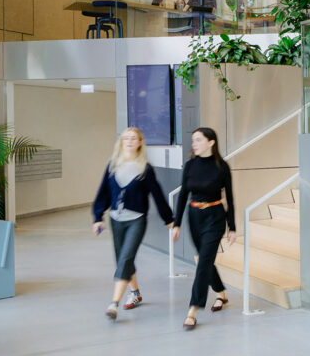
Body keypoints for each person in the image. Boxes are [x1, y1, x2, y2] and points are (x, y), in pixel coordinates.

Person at [92, 127, 174, 321]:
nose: (129, 141)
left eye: (133, 138)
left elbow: (158, 195)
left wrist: (169, 219)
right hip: (115, 219)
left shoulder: (145, 168)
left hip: (136, 220)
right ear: (121, 142)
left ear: (140, 143)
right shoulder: (112, 166)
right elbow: (103, 193)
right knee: (122, 259)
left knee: (126, 258)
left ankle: (114, 304)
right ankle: (135, 292)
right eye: (125, 138)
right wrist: (97, 217)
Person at [171, 127, 236, 331]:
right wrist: (177, 223)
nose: (194, 144)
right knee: (204, 259)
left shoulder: (222, 167)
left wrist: (232, 227)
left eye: (198, 140)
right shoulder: (190, 165)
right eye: (193, 140)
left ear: (211, 142)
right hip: (194, 217)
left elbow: (230, 199)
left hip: (215, 218)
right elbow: (183, 195)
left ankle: (193, 310)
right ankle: (221, 293)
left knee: (204, 261)